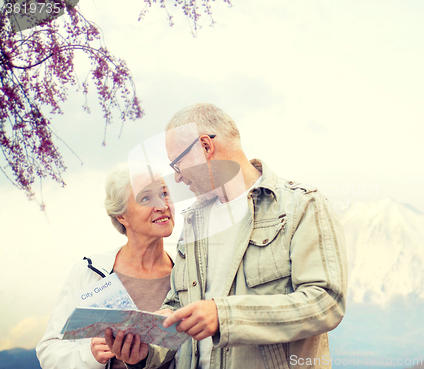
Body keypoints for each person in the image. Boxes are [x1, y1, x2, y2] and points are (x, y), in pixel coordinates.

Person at [106, 103, 348, 369]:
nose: (176, 178)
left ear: (206, 147)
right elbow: (177, 306)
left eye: (177, 164)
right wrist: (145, 352)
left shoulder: (301, 206)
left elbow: (326, 301)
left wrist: (225, 316)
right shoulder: (195, 221)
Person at [36, 162, 176, 369]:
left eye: (164, 193)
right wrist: (90, 355)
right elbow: (48, 350)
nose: (162, 205)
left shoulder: (188, 274)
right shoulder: (89, 272)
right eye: (146, 198)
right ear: (121, 216)